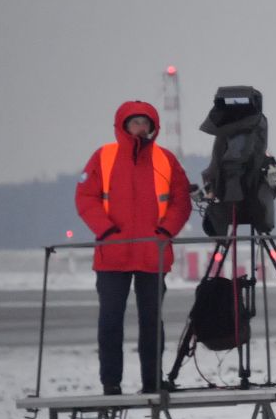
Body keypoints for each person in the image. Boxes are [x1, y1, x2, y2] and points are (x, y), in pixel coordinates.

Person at [75, 101, 193, 395]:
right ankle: (111, 383)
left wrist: (165, 232)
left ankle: (152, 381)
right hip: (113, 256)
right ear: (123, 126)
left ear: (153, 126)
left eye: (145, 123)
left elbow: (181, 201)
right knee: (110, 321)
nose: (141, 128)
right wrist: (106, 230)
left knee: (152, 324)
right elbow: (85, 197)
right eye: (135, 122)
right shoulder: (103, 157)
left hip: (152, 254)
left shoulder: (165, 160)